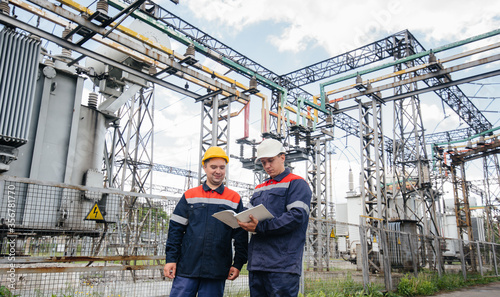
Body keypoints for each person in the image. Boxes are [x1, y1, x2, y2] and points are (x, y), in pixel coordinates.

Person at [164, 146, 248, 297]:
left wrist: (238, 263)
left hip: (216, 268)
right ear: (204, 167)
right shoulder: (190, 195)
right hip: (187, 267)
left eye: (222, 167)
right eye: (213, 167)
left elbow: (240, 234)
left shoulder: (234, 199)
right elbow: (175, 230)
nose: (218, 171)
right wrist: (171, 259)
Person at [238, 138, 312, 297]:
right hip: (257, 264)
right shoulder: (259, 188)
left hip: (282, 266)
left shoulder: (297, 183)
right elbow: (249, 212)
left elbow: (296, 216)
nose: (267, 166)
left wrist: (260, 227)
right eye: (263, 162)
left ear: (282, 157)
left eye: (270, 161)